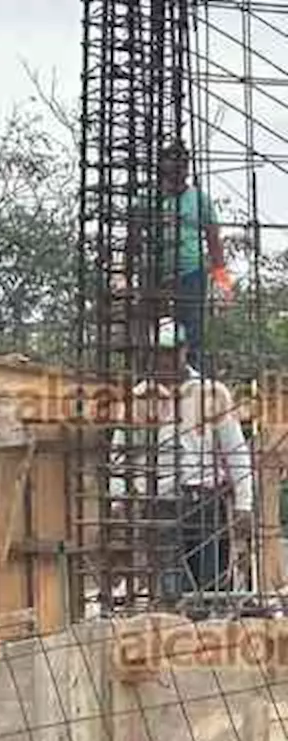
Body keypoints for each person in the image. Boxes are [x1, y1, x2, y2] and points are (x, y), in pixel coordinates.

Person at [108, 316, 252, 609]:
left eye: (172, 351)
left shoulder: (213, 394)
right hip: (160, 504)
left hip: (204, 503)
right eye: (159, 352)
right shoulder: (139, 397)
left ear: (185, 350)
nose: (165, 359)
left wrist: (243, 504)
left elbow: (236, 452)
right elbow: (120, 452)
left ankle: (209, 641)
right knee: (171, 590)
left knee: (210, 587)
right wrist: (118, 499)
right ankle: (177, 640)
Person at [137, 141, 233, 359]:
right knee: (154, 328)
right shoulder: (148, 199)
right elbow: (133, 237)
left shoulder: (199, 199)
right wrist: (123, 274)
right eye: (173, 161)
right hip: (155, 272)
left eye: (184, 162)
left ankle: (193, 377)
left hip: (191, 273)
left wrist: (222, 280)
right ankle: (152, 376)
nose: (180, 167)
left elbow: (213, 240)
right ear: (162, 165)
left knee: (192, 329)